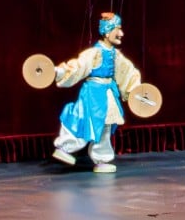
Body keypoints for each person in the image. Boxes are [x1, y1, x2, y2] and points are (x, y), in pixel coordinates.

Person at [50, 12, 143, 173]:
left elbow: (127, 71)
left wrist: (136, 89)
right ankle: (65, 147)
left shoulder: (115, 55)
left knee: (105, 128)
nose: (121, 33)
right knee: (85, 121)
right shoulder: (94, 53)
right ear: (107, 31)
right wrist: (58, 71)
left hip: (108, 94)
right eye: (118, 29)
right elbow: (78, 66)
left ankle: (101, 159)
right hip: (93, 95)